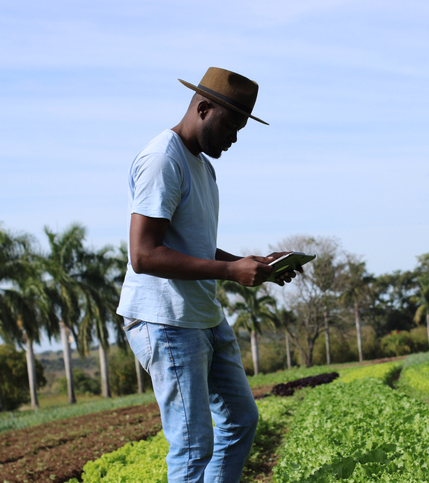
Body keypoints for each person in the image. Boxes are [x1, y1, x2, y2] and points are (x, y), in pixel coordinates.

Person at [116, 67, 297, 482]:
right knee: (193, 445)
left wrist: (255, 265)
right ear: (203, 108)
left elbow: (192, 246)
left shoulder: (202, 167)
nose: (234, 138)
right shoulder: (163, 159)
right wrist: (231, 271)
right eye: (230, 126)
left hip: (203, 316)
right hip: (165, 320)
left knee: (240, 421)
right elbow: (144, 254)